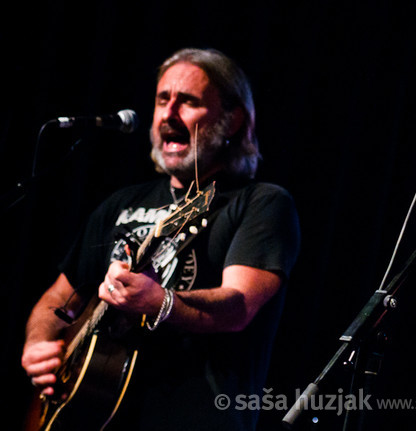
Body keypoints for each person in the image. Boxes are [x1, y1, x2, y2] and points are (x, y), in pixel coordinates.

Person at [21, 48, 300, 430]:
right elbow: (57, 299)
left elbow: (239, 307)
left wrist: (162, 302)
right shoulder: (121, 203)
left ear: (232, 120)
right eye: (162, 100)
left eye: (187, 102)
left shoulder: (261, 203)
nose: (169, 114)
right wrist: (39, 344)